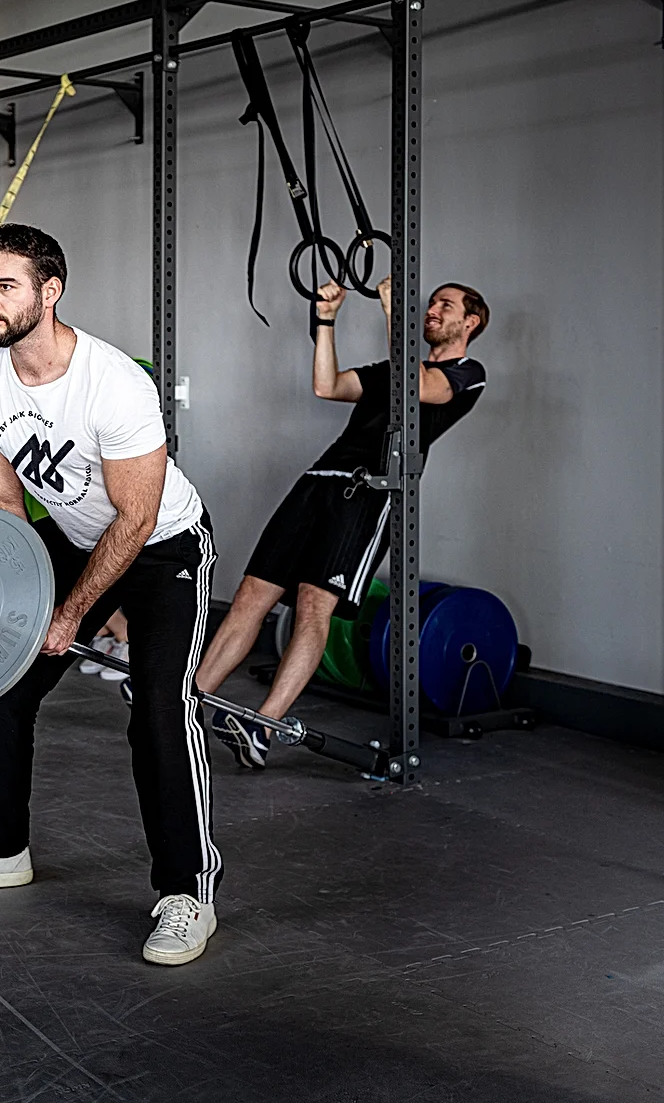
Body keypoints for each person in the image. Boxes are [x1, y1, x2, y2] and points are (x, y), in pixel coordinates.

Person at [0, 223, 220, 968]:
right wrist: (12, 606)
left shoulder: (113, 382)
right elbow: (3, 505)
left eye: (5, 285)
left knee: (157, 710)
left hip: (164, 547)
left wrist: (72, 612)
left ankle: (187, 894)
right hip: (77, 538)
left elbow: (137, 517)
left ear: (49, 292)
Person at [196, 276, 489, 769]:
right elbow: (326, 384)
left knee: (314, 607)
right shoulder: (390, 370)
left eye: (445, 305)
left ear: (471, 321)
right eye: (431, 303)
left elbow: (418, 386)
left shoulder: (467, 373)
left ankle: (263, 729)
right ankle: (186, 701)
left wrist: (393, 314)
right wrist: (326, 319)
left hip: (367, 493)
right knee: (251, 594)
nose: (433, 310)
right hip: (317, 483)